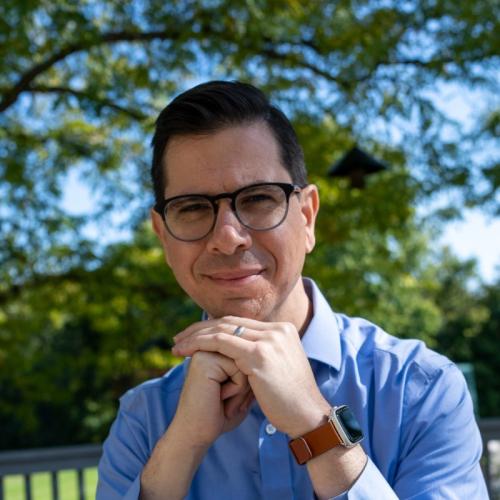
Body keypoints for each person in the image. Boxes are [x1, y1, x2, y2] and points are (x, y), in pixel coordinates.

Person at [96, 80, 488, 499]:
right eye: (192, 207)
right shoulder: (142, 421)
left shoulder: (423, 389)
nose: (228, 238)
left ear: (307, 217)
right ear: (162, 235)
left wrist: (317, 426)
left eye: (258, 199)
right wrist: (182, 446)